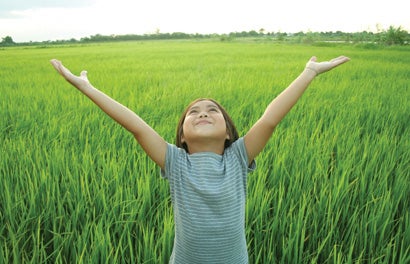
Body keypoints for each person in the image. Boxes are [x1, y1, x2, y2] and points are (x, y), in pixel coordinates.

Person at [50, 55, 350, 263]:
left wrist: (309, 72)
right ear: (181, 136)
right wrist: (87, 88)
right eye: (193, 112)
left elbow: (270, 119)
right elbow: (136, 126)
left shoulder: (237, 158)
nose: (202, 113)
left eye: (212, 110)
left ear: (229, 134)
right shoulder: (176, 162)